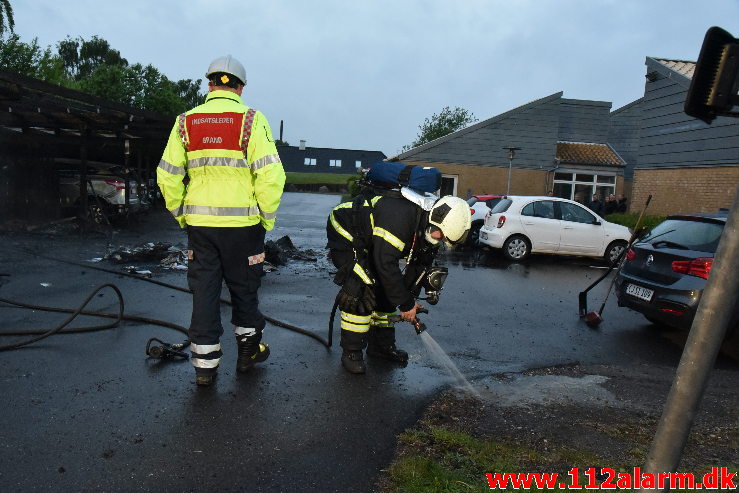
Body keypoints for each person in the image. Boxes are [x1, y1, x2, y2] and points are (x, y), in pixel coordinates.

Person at [157, 55, 286, 386]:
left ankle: (204, 368)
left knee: (205, 293)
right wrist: (265, 221)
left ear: (210, 83)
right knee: (245, 288)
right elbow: (271, 176)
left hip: (200, 228)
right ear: (240, 88)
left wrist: (182, 215)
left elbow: (167, 175)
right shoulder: (251, 120)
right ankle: (248, 351)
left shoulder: (185, 121)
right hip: (244, 228)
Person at [326, 187, 471, 374]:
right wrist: (404, 303)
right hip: (346, 231)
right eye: (441, 236)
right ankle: (351, 352)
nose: (440, 240)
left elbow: (418, 267)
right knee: (362, 289)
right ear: (436, 221)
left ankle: (380, 347)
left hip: (372, 242)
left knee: (389, 290)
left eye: (444, 240)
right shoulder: (400, 215)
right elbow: (385, 262)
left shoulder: (430, 227)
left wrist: (409, 299)